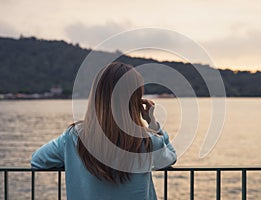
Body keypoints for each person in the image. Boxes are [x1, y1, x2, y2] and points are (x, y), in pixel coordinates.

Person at [31, 62, 177, 200]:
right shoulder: (148, 141)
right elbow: (170, 158)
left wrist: (73, 162)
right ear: (135, 101)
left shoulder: (74, 137)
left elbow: (38, 161)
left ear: (97, 96)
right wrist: (152, 123)